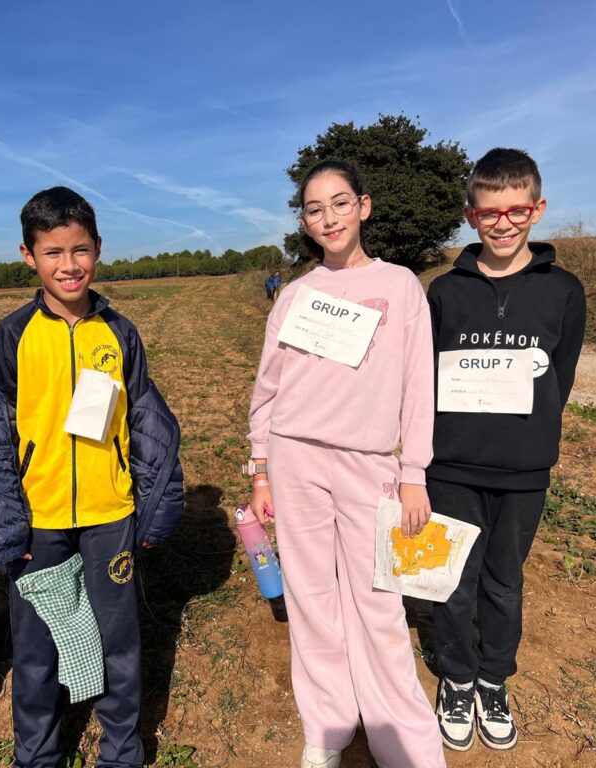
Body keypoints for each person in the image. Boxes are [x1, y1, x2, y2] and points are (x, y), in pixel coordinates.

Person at [0, 186, 184, 768]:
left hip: (110, 515)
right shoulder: (14, 334)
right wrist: (5, 528)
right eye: (53, 252)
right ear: (28, 256)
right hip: (41, 522)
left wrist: (154, 509)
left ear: (98, 248)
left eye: (80, 250)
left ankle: (121, 752)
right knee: (36, 649)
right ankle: (36, 755)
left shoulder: (120, 332)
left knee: (118, 640)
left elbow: (149, 426)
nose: (69, 265)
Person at [247, 160, 445, 768]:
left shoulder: (401, 285)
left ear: (364, 206)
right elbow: (268, 387)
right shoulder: (295, 295)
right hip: (295, 458)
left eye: (339, 203)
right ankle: (328, 727)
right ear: (304, 223)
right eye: (314, 209)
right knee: (310, 598)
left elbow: (418, 384)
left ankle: (402, 741)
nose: (328, 218)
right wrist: (260, 468)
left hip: (369, 463)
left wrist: (414, 473)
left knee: (379, 602)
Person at [427, 148, 586, 752]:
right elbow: (425, 376)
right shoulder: (444, 292)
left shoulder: (563, 291)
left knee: (502, 581)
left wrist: (531, 436)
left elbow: (559, 379)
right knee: (451, 581)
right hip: (451, 467)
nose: (503, 223)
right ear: (472, 215)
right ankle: (457, 677)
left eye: (516, 210)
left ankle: (493, 678)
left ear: (536, 210)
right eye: (489, 212)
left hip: (523, 471)